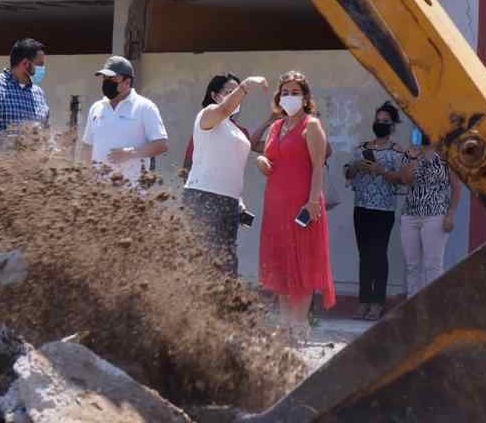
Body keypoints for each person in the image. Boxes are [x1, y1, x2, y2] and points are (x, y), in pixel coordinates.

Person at [256, 70, 335, 339]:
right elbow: (270, 160)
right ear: (279, 97)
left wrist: (313, 201)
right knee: (280, 262)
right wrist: (262, 163)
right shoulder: (276, 127)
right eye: (285, 92)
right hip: (275, 203)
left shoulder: (311, 125)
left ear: (305, 97)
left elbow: (318, 166)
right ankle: (285, 324)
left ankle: (299, 326)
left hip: (303, 203)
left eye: (295, 92)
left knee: (302, 263)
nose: (290, 97)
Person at [183, 72, 268, 275]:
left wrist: (238, 200)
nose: (235, 96)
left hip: (229, 203)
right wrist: (246, 85)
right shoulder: (209, 113)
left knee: (226, 265)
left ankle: (221, 307)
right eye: (229, 91)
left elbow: (232, 167)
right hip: (204, 197)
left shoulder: (237, 131)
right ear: (214, 95)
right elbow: (225, 108)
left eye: (236, 92)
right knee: (204, 263)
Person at [344, 101, 407, 320]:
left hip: (384, 210)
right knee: (365, 255)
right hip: (361, 208)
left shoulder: (397, 152)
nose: (381, 124)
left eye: (385, 122)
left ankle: (377, 303)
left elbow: (402, 178)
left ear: (392, 125)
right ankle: (364, 301)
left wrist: (381, 170)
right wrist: (356, 167)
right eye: (378, 121)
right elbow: (348, 173)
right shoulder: (362, 148)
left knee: (379, 255)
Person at [390, 127, 461, 297]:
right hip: (410, 214)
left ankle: (434, 306)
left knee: (433, 264)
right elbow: (405, 180)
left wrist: (450, 214)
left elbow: (456, 188)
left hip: (436, 215)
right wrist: (413, 159)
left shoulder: (447, 156)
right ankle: (413, 305)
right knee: (412, 265)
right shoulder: (411, 153)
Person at [80, 56, 168, 185]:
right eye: (104, 78)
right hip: (98, 191)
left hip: (132, 189)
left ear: (127, 82)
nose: (106, 82)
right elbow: (87, 146)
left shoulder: (145, 107)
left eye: (112, 78)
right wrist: (84, 176)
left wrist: (130, 153)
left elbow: (161, 144)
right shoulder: (96, 107)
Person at [0, 38, 50, 147]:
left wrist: (50, 145)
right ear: (26, 64)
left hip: (33, 163)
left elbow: (45, 130)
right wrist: (10, 142)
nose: (43, 69)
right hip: (0, 162)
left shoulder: (39, 93)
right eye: (40, 64)